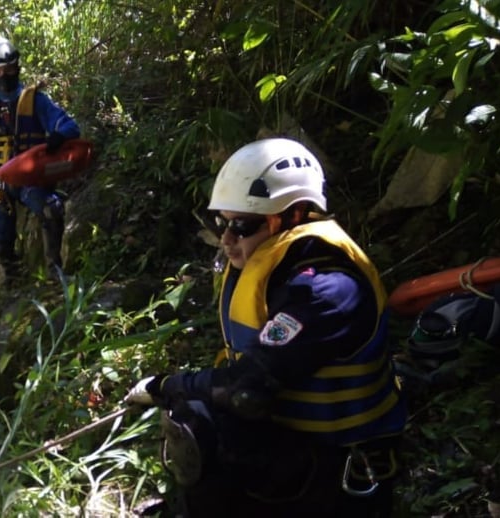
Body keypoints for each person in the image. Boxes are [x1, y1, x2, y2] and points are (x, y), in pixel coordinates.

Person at [126, 137, 407, 517]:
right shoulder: (280, 272)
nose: (226, 239)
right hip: (291, 448)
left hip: (338, 471)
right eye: (222, 223)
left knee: (202, 415)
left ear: (294, 215)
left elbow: (245, 388)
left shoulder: (326, 291)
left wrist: (167, 385)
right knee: (199, 420)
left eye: (243, 225)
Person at [0, 37, 81, 284]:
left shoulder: (37, 100)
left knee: (51, 208)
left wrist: (59, 136)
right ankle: (12, 277)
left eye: (8, 69)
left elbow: (69, 125)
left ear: (17, 68)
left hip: (30, 179)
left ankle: (53, 271)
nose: (3, 75)